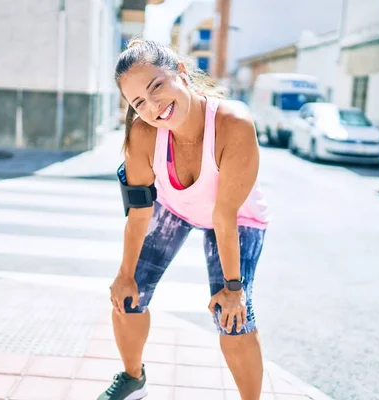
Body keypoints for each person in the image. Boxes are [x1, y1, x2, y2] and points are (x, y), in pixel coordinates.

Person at [96, 39, 270, 400]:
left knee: (233, 318)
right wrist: (125, 275)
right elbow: (140, 213)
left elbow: (224, 216)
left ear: (182, 72)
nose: (152, 106)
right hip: (176, 208)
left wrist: (234, 291)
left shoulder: (232, 123)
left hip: (238, 219)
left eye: (156, 86)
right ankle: (133, 378)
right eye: (138, 102)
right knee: (128, 296)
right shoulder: (142, 135)